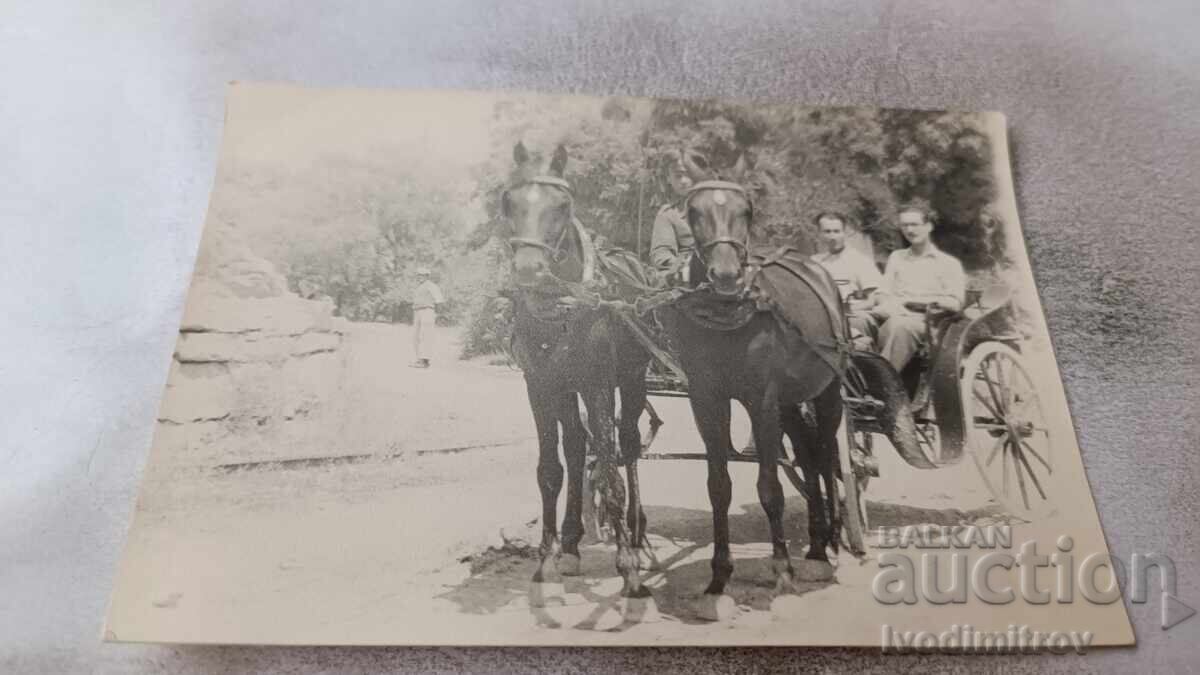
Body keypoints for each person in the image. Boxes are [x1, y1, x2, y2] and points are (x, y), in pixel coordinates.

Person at [874, 204, 967, 374]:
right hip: (893, 314)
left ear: (929, 226)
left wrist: (917, 303)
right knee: (858, 321)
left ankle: (882, 380)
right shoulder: (897, 257)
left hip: (928, 322)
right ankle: (855, 376)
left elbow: (955, 303)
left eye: (914, 224)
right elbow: (883, 291)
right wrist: (887, 303)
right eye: (905, 225)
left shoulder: (948, 263)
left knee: (901, 326)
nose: (909, 230)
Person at [809, 211, 884, 349]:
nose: (832, 237)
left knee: (854, 322)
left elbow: (871, 300)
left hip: (853, 313)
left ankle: (863, 358)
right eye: (827, 232)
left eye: (836, 231)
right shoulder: (814, 262)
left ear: (844, 232)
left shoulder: (860, 261)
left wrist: (843, 311)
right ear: (819, 234)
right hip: (823, 314)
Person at [648, 151, 696, 273]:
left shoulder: (717, 208)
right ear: (669, 179)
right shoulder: (669, 215)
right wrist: (684, 265)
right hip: (688, 274)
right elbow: (661, 254)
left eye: (688, 174)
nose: (683, 181)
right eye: (678, 176)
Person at [410, 266, 445, 369]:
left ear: (427, 276)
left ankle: (424, 360)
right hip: (418, 311)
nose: (420, 277)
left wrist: (438, 314)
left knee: (425, 335)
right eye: (419, 275)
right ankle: (419, 359)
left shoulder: (431, 286)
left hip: (427, 311)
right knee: (416, 336)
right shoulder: (419, 287)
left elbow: (439, 300)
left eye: (422, 275)